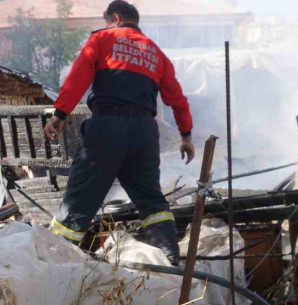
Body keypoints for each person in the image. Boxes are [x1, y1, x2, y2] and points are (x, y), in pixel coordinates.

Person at [43, 0, 195, 264]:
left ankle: (57, 260)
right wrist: (186, 135)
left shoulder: (102, 39)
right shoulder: (156, 54)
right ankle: (171, 257)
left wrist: (59, 114)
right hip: (144, 133)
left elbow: (77, 78)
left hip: (107, 128)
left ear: (114, 18)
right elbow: (178, 99)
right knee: (151, 199)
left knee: (80, 199)